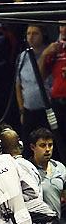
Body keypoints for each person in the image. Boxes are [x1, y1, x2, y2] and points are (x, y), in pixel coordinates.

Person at [16, 25, 50, 148]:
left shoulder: (49, 52)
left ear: (43, 35)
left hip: (47, 109)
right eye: (28, 33)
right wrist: (21, 110)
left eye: (35, 34)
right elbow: (18, 85)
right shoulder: (23, 56)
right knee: (29, 144)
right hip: (29, 110)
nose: (31, 37)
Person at [39, 21, 66, 152]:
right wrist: (45, 54)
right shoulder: (55, 48)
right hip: (58, 103)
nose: (63, 29)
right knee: (59, 139)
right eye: (61, 26)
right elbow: (41, 76)